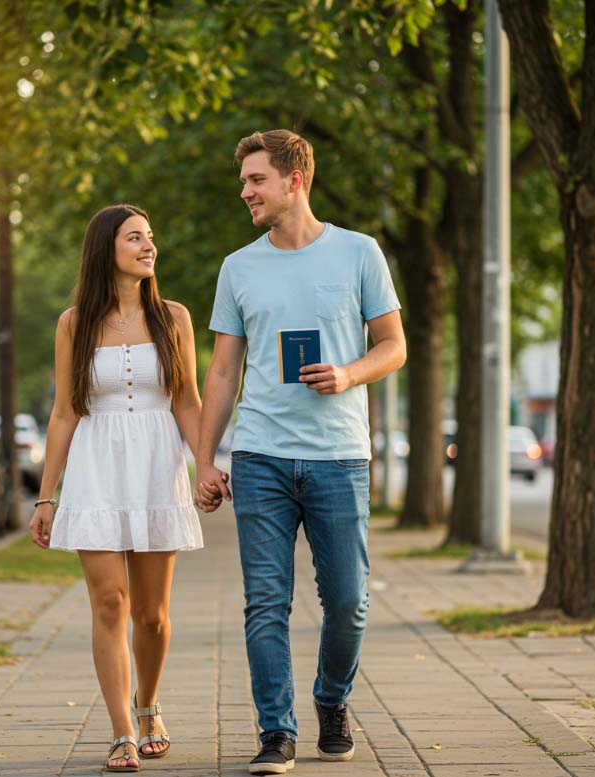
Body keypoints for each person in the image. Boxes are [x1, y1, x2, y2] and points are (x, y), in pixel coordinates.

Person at [194, 130, 407, 775]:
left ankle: (332, 702)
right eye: (244, 180)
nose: (245, 191)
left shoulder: (359, 253)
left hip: (339, 458)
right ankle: (276, 733)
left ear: (295, 181)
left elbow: (393, 346)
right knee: (266, 602)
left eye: (256, 179)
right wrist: (206, 459)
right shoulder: (239, 266)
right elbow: (224, 373)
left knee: (348, 600)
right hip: (258, 457)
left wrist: (346, 374)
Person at [29, 204, 208, 773]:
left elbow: (188, 402)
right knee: (110, 603)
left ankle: (149, 704)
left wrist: (206, 466)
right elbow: (63, 413)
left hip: (157, 464)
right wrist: (46, 495)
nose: (149, 246)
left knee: (152, 614)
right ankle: (122, 730)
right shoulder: (74, 323)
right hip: (96, 468)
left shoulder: (174, 318)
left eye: (151, 237)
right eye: (136, 238)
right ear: (107, 249)